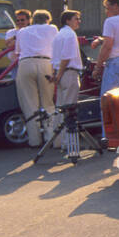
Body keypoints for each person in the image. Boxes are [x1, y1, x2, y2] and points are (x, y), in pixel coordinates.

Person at [12, 9, 59, 148]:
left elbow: (18, 51)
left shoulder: (22, 31)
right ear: (47, 20)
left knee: (29, 103)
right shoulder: (52, 28)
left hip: (26, 63)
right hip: (45, 63)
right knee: (48, 102)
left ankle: (34, 140)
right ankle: (50, 137)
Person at [50, 9, 85, 147]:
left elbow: (55, 58)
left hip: (61, 72)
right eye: (76, 18)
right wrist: (58, 75)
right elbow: (66, 57)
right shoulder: (70, 35)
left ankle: (58, 141)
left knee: (60, 108)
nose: (79, 21)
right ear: (67, 20)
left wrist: (56, 74)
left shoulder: (59, 35)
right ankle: (70, 144)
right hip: (69, 72)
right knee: (70, 110)